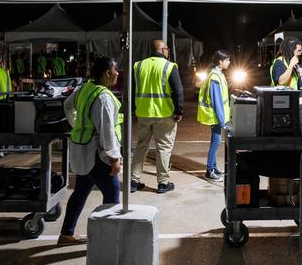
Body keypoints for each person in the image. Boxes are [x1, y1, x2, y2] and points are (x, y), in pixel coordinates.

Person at [58, 56, 122, 245]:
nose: (118, 73)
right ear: (107, 73)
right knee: (112, 195)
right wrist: (114, 157)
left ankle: (66, 234)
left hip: (82, 151)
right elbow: (107, 130)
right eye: (116, 70)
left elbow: (67, 105)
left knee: (80, 191)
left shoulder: (85, 88)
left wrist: (77, 123)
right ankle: (107, 241)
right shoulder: (103, 97)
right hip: (96, 155)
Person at [130, 39, 184, 194]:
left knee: (141, 146)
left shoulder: (138, 65)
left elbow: (132, 89)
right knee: (164, 148)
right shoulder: (169, 66)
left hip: (143, 112)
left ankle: (134, 181)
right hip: (164, 113)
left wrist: (134, 108)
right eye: (167, 49)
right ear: (162, 50)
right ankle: (163, 183)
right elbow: (178, 90)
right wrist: (179, 111)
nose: (168, 52)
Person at [197, 50, 231, 181]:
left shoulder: (217, 74)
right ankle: (209, 170)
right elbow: (217, 102)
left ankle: (214, 167)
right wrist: (222, 120)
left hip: (218, 116)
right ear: (220, 62)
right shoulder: (215, 77)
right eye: (227, 60)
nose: (229, 62)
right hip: (216, 116)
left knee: (215, 142)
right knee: (215, 142)